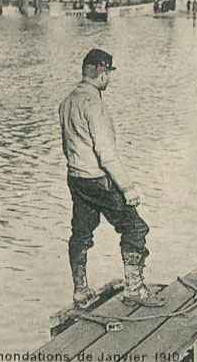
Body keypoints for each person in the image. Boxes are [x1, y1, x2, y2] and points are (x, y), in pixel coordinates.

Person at [59, 49, 165, 309]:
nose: (109, 79)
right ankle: (135, 289)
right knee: (135, 228)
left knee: (81, 233)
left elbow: (67, 145)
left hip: (76, 177)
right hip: (98, 180)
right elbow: (106, 155)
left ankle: (81, 292)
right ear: (102, 74)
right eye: (109, 74)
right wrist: (127, 187)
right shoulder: (94, 105)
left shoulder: (67, 101)